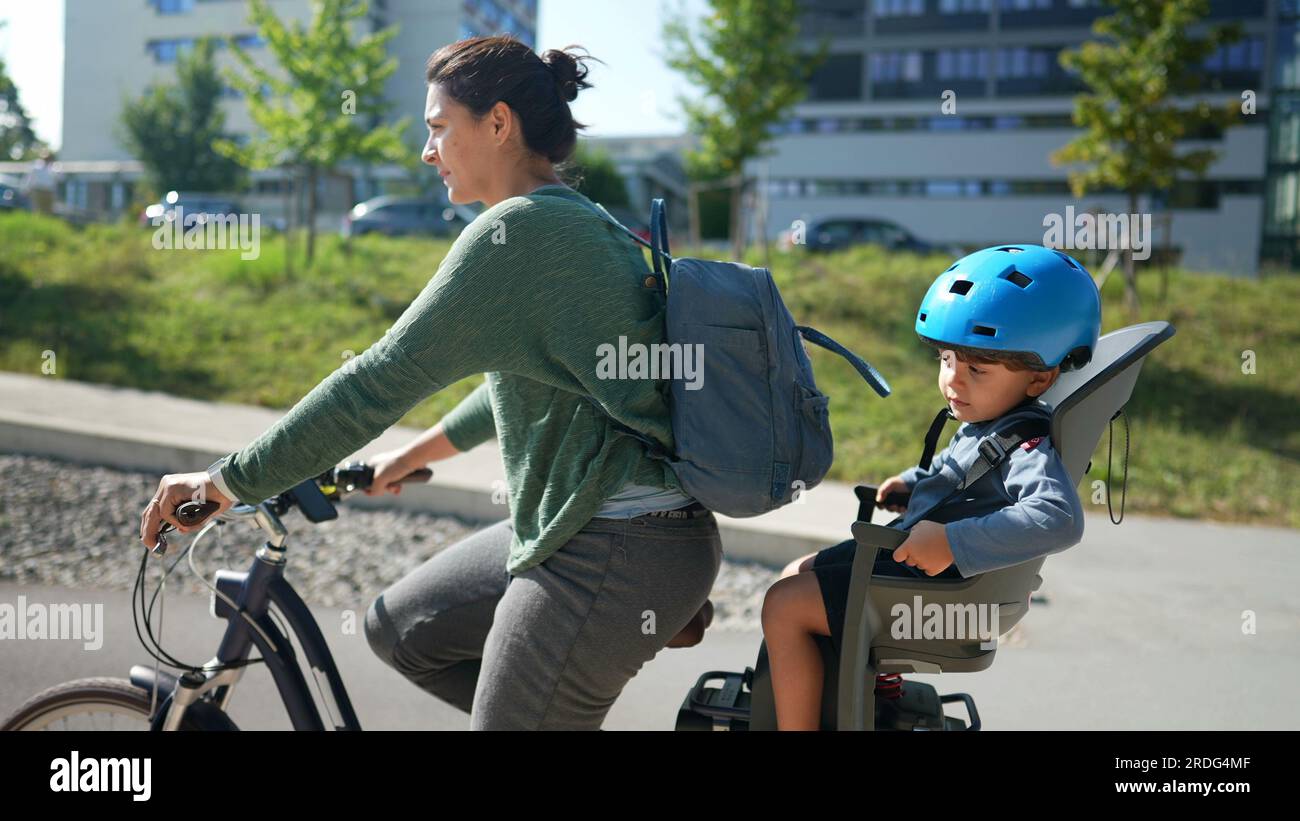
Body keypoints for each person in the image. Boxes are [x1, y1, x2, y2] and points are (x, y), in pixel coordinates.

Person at [139, 35, 722, 730]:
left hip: (615, 543)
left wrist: (221, 483)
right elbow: (529, 381)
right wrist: (411, 458)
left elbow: (373, 384)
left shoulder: (517, 232)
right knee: (401, 629)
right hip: (615, 533)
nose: (427, 150)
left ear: (498, 123)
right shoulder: (581, 220)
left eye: (440, 128)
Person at [759, 244, 1102, 731]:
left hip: (942, 588)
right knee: (795, 573)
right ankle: (859, 697)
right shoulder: (990, 421)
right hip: (916, 566)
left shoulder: (1028, 445)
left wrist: (951, 542)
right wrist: (915, 483)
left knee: (783, 605)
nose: (952, 381)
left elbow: (1058, 518)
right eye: (946, 360)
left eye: (976, 369)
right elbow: (957, 470)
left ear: (1040, 377)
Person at [23, 150, 57, 215]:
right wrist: (26, 189)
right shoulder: (36, 166)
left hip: (49, 191)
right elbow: (29, 178)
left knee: (48, 211)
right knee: (37, 209)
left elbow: (57, 179)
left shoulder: (53, 168)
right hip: (38, 190)